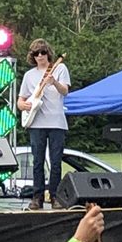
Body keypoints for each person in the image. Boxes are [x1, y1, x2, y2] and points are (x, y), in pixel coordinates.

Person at [17, 39, 71, 210]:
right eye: (36, 53)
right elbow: (21, 99)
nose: (40, 56)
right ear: (32, 56)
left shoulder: (60, 68)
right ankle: (37, 197)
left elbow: (65, 91)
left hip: (56, 122)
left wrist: (53, 82)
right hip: (36, 122)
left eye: (42, 52)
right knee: (37, 161)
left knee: (55, 162)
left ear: (48, 53)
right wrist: (22, 105)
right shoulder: (29, 75)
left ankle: (55, 196)